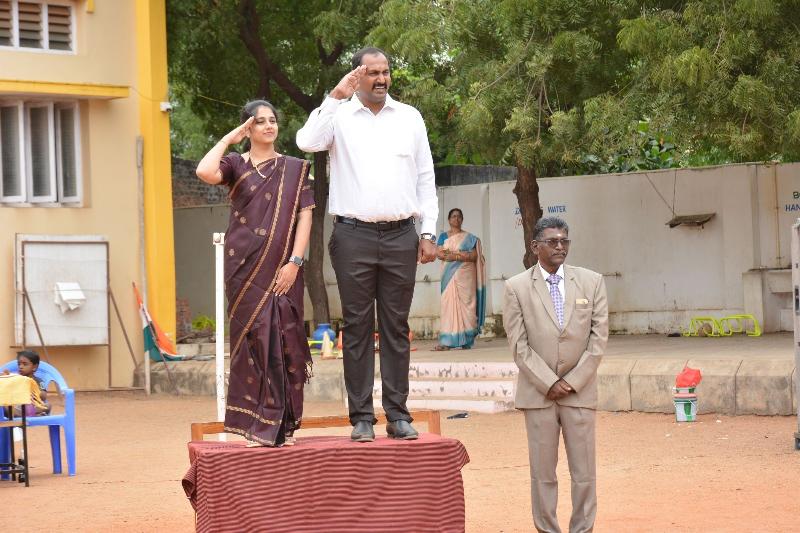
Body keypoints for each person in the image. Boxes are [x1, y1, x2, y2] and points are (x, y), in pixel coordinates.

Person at [296, 47, 438, 442]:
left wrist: (427, 233)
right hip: (352, 235)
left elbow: (426, 177)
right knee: (357, 327)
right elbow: (307, 140)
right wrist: (335, 95)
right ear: (358, 75)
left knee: (395, 327)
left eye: (385, 72)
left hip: (400, 236)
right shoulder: (339, 117)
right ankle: (361, 417)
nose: (380, 79)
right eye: (371, 72)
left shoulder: (409, 117)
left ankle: (398, 415)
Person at [196, 100, 314, 447]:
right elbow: (204, 171)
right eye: (259, 122)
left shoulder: (294, 169)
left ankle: (284, 426)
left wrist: (295, 262)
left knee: (283, 341)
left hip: (283, 268)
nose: (268, 126)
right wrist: (229, 140)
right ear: (248, 128)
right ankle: (253, 425)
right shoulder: (234, 164)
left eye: (272, 120)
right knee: (251, 342)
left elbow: (305, 216)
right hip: (243, 267)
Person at [502, 216, 608, 533]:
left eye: (564, 241)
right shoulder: (516, 287)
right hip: (539, 396)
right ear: (535, 247)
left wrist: (571, 382)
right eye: (552, 241)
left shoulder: (592, 281)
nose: (560, 246)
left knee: (584, 473)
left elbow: (598, 340)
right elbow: (518, 345)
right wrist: (549, 382)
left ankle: (582, 529)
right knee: (543, 474)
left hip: (580, 394)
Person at [434, 208, 486, 351]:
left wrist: (455, 256)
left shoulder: (469, 238)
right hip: (448, 277)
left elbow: (474, 256)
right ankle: (446, 341)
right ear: (449, 220)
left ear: (462, 220)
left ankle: (466, 340)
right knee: (448, 306)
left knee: (467, 305)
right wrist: (461, 254)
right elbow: (438, 253)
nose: (456, 219)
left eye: (459, 217)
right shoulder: (443, 236)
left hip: (466, 276)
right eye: (453, 216)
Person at [3, 350, 49, 416]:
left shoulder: (38, 381)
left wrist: (34, 392)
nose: (20, 367)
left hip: (34, 406)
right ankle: (30, 416)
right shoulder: (16, 378)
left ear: (34, 367)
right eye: (19, 364)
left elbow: (44, 397)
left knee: (48, 406)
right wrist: (7, 377)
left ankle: (30, 415)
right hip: (18, 408)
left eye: (25, 364)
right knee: (5, 407)